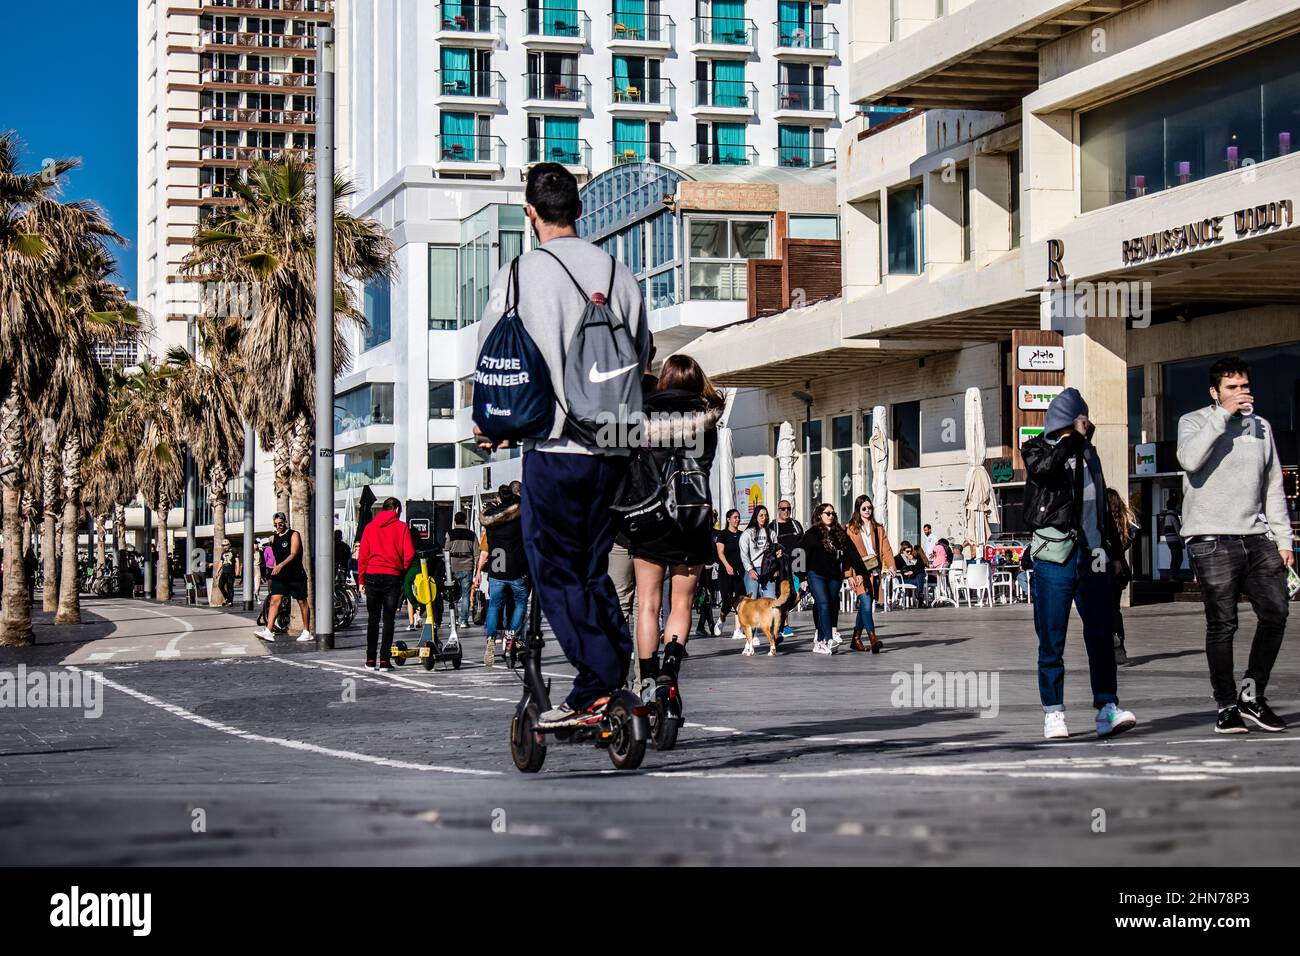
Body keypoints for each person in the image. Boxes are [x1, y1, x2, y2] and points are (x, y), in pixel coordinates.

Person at [475, 163, 650, 726]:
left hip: (554, 450)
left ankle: (597, 681)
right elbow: (640, 355)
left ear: (531, 213)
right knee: (593, 567)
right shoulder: (618, 271)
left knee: (554, 571)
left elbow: (495, 360)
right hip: (615, 447)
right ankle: (614, 670)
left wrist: (492, 425)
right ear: (579, 209)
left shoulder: (519, 274)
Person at [1176, 356, 1292, 734]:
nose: (1240, 393)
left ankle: (1252, 694)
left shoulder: (1262, 427)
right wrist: (1222, 416)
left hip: (1258, 538)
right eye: (1231, 388)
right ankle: (1226, 705)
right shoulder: (1194, 422)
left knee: (1275, 614)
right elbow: (1190, 460)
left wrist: (1284, 539)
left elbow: (1272, 486)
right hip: (1211, 539)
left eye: (1243, 386)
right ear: (1215, 392)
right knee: (1222, 624)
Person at [1023, 387, 1136, 740]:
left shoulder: (1091, 455)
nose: (1087, 426)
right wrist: (1072, 440)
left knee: (1101, 634)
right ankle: (1053, 712)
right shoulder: (1037, 448)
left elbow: (1102, 507)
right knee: (1051, 638)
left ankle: (1107, 707)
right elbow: (1046, 469)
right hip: (1054, 558)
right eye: (1080, 420)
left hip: (1093, 556)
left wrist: (1116, 554)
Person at [629, 355, 723, 694]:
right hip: (693, 518)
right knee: (681, 603)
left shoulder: (643, 420)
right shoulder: (709, 424)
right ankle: (671, 668)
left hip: (652, 519)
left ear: (664, 381)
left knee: (648, 603)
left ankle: (649, 681)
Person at [799, 503, 869, 655]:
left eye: (832, 513)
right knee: (823, 604)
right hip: (816, 574)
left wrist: (861, 572)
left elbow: (852, 553)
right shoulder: (812, 533)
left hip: (834, 576)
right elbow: (799, 554)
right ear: (819, 515)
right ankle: (829, 639)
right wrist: (801, 577)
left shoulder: (840, 533)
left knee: (830, 605)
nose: (831, 516)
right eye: (827, 513)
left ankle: (820, 641)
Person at [356, 497, 415, 671]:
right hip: (392, 576)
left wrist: (361, 580)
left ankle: (369, 659)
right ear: (396, 509)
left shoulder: (370, 527)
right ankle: (384, 660)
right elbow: (409, 553)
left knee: (373, 620)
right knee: (388, 619)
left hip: (372, 575)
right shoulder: (402, 527)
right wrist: (401, 569)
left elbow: (363, 556)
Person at [475, 484, 529, 667]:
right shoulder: (520, 517)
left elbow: (486, 547)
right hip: (516, 567)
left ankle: (491, 638)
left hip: (497, 567)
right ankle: (511, 636)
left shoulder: (490, 519)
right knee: (521, 603)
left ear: (498, 497)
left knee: (494, 606)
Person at [845, 495, 893, 653]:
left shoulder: (877, 528)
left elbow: (886, 548)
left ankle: (856, 638)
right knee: (865, 603)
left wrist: (891, 565)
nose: (867, 511)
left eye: (869, 508)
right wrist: (849, 575)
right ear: (858, 509)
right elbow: (847, 555)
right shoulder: (851, 528)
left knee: (866, 606)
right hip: (858, 571)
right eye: (864, 508)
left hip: (874, 571)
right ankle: (873, 639)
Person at [253, 512, 312, 643]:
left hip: (295, 574)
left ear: (285, 522)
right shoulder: (274, 538)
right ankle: (268, 631)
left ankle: (307, 631)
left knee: (302, 602)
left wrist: (280, 565)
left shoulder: (294, 534)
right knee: (275, 600)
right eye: (275, 525)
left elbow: (294, 553)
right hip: (280, 576)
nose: (278, 526)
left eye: (280, 524)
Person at [1106, 488, 1138, 666]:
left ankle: (1109, 641)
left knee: (1102, 610)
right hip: (1120, 570)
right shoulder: (1125, 520)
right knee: (1115, 609)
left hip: (1103, 566)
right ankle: (1119, 642)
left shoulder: (1103, 520)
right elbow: (1130, 539)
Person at [773, 499, 804, 639]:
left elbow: (802, 546)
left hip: (796, 565)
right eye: (783, 509)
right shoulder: (773, 526)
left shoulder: (796, 525)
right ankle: (784, 625)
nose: (786, 511)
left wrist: (803, 568)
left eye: (788, 509)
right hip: (782, 566)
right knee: (784, 595)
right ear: (778, 510)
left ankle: (781, 613)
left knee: (798, 594)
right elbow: (770, 547)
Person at [740, 505, 780, 599]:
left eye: (765, 515)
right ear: (756, 517)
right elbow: (744, 554)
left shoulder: (772, 533)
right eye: (761, 515)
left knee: (770, 600)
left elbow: (775, 550)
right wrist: (750, 569)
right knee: (751, 601)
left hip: (768, 569)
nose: (763, 518)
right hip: (753, 568)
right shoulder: (747, 533)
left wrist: (778, 555)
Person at [715, 509, 744, 638]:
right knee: (726, 600)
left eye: (738, 517)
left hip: (739, 572)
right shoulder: (723, 535)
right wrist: (727, 566)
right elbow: (720, 553)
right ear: (728, 519)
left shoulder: (742, 535)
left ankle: (738, 630)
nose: (737, 520)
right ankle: (721, 619)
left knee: (739, 600)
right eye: (735, 517)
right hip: (725, 571)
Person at [446, 511, 479, 628]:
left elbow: (446, 551)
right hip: (467, 567)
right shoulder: (472, 535)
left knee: (453, 595)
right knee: (465, 595)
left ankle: (453, 619)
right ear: (466, 521)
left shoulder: (450, 534)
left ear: (455, 521)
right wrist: (476, 569)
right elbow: (476, 553)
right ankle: (463, 620)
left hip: (453, 567)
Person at [1157, 492, 1184, 580]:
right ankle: (1172, 575)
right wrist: (1182, 542)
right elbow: (1178, 530)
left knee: (1175, 557)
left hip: (1169, 540)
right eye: (1177, 505)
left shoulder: (1167, 516)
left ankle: (1172, 575)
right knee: (1178, 558)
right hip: (1175, 540)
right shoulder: (1173, 516)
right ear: (1175, 506)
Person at [893, 540, 926, 606]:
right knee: (920, 579)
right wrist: (904, 572)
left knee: (920, 574)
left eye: (910, 551)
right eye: (907, 551)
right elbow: (897, 569)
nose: (909, 553)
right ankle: (920, 596)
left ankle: (920, 595)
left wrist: (913, 560)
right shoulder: (897, 558)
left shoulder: (913, 557)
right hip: (903, 579)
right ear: (903, 551)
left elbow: (921, 566)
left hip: (912, 578)